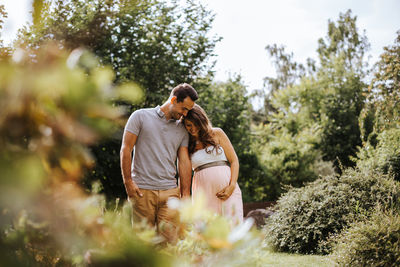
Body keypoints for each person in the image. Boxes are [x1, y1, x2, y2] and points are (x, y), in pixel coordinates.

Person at [120, 83, 198, 243]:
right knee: (143, 244)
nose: (185, 114)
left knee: (169, 244)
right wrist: (128, 182)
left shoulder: (182, 129)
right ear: (174, 100)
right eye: (184, 109)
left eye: (188, 111)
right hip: (142, 191)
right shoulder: (140, 116)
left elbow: (184, 161)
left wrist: (185, 194)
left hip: (170, 194)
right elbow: (126, 149)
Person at [183, 104, 243, 225]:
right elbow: (185, 174)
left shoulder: (217, 133)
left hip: (228, 191)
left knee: (232, 229)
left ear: (202, 122)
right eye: (189, 125)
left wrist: (231, 186)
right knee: (207, 232)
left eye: (196, 124)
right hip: (203, 196)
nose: (193, 128)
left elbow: (234, 161)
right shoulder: (186, 143)